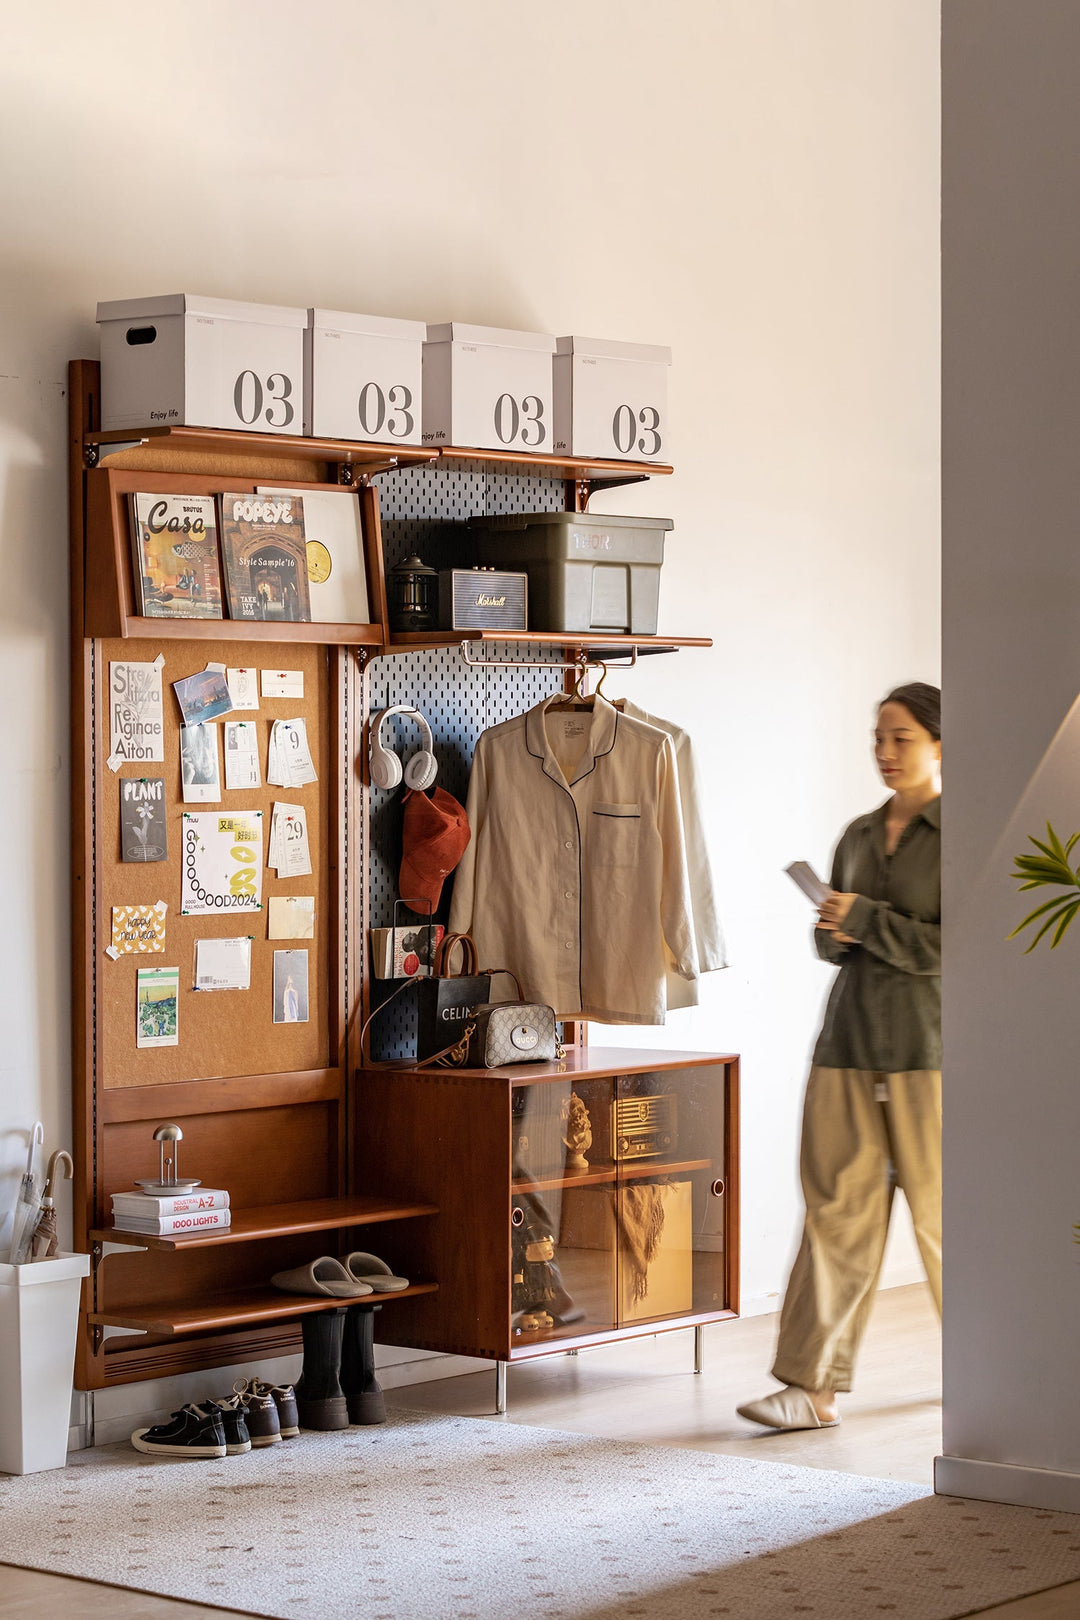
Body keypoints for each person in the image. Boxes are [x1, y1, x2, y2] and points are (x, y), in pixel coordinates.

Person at [738, 682, 942, 1432]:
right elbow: (831, 943)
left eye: (902, 739)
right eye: (878, 738)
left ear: (939, 745)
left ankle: (1006, 1380)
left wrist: (871, 921)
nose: (885, 753)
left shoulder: (968, 834)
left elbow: (960, 949)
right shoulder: (857, 835)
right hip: (847, 1046)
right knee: (834, 1216)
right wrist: (838, 928)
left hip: (934, 1053)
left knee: (949, 1224)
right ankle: (809, 1388)